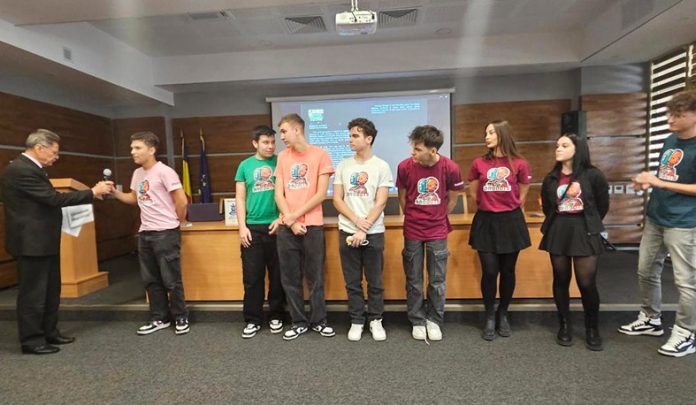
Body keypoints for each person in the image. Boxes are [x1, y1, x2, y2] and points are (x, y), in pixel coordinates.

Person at [1, 129, 112, 355]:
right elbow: (52, 199)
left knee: (51, 290)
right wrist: (92, 192)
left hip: (43, 240)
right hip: (31, 243)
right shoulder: (20, 170)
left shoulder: (33, 168)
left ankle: (49, 332)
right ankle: (32, 340)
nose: (56, 157)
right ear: (39, 148)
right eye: (54, 152)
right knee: (34, 294)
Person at [619, 89, 696, 357]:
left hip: (683, 222)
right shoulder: (670, 140)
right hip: (656, 217)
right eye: (669, 114)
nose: (670, 120)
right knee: (646, 270)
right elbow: (667, 174)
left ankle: (686, 332)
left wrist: (660, 183)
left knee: (686, 281)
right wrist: (647, 182)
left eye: (678, 115)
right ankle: (651, 318)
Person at [110, 131, 190, 336]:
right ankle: (159, 318)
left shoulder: (165, 172)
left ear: (152, 150)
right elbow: (133, 198)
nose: (132, 152)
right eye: (132, 148)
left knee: (171, 279)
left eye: (138, 148)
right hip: (145, 233)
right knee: (151, 280)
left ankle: (180, 317)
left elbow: (181, 200)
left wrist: (176, 221)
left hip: (165, 232)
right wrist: (114, 193)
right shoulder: (137, 174)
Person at [540, 133, 609, 351]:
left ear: (577, 149)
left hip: (585, 230)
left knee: (586, 283)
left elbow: (602, 206)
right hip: (559, 229)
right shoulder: (551, 178)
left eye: (564, 145)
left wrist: (589, 222)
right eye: (557, 145)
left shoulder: (593, 175)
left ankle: (592, 328)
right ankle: (564, 325)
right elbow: (548, 207)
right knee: (561, 280)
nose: (558, 149)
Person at [397, 125, 464, 341]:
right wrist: (412, 216)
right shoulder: (404, 166)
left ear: (432, 151)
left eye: (417, 149)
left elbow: (453, 198)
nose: (412, 153)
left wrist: (438, 216)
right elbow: (402, 196)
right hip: (413, 229)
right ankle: (417, 320)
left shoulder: (450, 167)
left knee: (437, 280)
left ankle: (434, 320)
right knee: (414, 279)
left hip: (438, 230)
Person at [467, 120, 531, 341]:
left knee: (508, 270)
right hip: (486, 220)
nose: (486, 136)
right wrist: (490, 206)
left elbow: (522, 195)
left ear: (503, 134)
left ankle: (503, 313)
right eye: (486, 133)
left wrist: (507, 207)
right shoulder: (478, 163)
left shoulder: (520, 163)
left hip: (510, 221)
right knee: (489, 271)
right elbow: (473, 193)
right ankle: (489, 315)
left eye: (491, 132)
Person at [274, 113, 335, 340]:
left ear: (297, 130)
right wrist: (290, 221)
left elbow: (320, 194)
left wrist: (294, 217)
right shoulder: (282, 157)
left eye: (284, 131)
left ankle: (319, 320)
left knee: (315, 276)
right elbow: (278, 194)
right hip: (287, 228)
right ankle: (298, 322)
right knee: (290, 277)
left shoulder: (320, 154)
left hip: (312, 226)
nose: (281, 137)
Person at [333, 118, 394, 341]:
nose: (350, 139)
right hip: (347, 230)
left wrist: (364, 228)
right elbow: (337, 199)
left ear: (369, 139)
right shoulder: (343, 165)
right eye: (350, 135)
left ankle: (376, 320)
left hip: (373, 232)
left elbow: (381, 202)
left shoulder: (381, 166)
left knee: (375, 281)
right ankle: (357, 320)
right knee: (352, 282)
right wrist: (356, 222)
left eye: (355, 136)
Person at [235, 125, 286, 338]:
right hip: (252, 228)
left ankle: (276, 315)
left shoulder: (281, 162)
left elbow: (287, 194)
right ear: (255, 143)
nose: (270, 146)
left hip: (277, 226)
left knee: (278, 276)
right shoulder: (245, 166)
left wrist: (281, 218)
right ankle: (253, 319)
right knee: (252, 277)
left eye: (273, 142)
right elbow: (240, 198)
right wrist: (242, 227)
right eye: (265, 142)